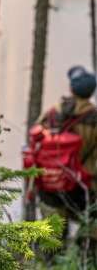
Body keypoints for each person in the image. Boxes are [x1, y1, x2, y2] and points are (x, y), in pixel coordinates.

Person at [36, 65, 97, 258]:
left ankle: (50, 264)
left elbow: (35, 142)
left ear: (70, 88)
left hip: (50, 185)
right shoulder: (94, 118)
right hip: (85, 187)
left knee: (52, 241)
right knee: (91, 236)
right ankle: (84, 260)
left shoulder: (50, 114)